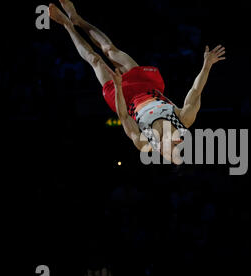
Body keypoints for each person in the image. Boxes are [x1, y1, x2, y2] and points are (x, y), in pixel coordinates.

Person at [49, 0, 226, 163]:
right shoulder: (184, 119)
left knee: (95, 60)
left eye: (165, 156)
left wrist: (118, 86)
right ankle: (78, 20)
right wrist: (207, 65)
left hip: (124, 98)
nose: (161, 153)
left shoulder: (144, 142)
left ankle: (66, 24)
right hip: (147, 85)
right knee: (110, 50)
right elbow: (195, 91)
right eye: (169, 152)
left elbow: (124, 116)